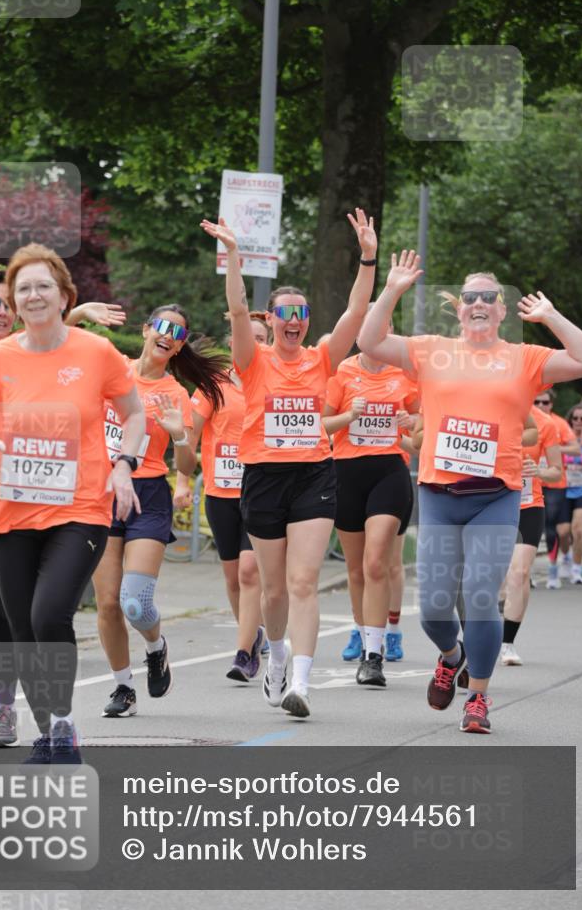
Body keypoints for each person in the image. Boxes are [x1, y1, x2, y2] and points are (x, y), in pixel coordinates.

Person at [358, 257, 582, 733]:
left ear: (503, 310)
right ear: (460, 310)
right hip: (442, 495)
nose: (480, 303)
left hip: (496, 495)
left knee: (482, 597)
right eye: (471, 297)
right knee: (434, 608)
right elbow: (369, 341)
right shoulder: (432, 351)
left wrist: (549, 316)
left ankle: (478, 697)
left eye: (489, 296)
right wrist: (393, 289)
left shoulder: (523, 358)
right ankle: (452, 655)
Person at [0, 244, 146, 762]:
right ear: (13, 303)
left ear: (65, 296)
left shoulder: (95, 353)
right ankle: (52, 729)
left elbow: (133, 414)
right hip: (9, 514)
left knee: (47, 616)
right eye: (23, 289)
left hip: (79, 509)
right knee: (20, 629)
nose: (33, 295)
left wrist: (125, 463)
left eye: (43, 286)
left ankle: (60, 727)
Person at [201, 208, 378, 718]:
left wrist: (368, 256)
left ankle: (301, 681)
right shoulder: (252, 361)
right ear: (272, 320)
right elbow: (237, 311)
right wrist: (234, 254)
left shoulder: (323, 357)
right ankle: (275, 655)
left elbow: (356, 312)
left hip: (314, 475)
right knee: (273, 590)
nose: (296, 320)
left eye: (302, 313)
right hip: (261, 478)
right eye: (286, 313)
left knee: (303, 582)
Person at [94, 304, 230, 717]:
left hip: (148, 495)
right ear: (146, 330)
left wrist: (180, 438)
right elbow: (52, 352)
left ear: (178, 347)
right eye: (163, 326)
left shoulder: (175, 394)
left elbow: (187, 465)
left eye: (179, 333)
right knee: (107, 604)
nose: (168, 334)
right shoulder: (112, 368)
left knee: (135, 602)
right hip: (101, 494)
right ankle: (123, 688)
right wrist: (79, 312)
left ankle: (155, 646)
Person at [176, 313, 269, 683]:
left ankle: (244, 653)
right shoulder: (213, 385)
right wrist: (183, 481)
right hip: (220, 493)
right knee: (233, 578)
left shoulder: (276, 383)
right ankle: (254, 632)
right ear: (234, 342)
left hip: (263, 493)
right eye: (250, 337)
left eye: (263, 339)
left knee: (249, 571)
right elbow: (191, 436)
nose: (256, 344)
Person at [322, 342, 419, 687]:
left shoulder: (405, 373)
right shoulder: (342, 371)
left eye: (384, 329)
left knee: (377, 560)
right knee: (356, 569)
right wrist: (349, 417)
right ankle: (364, 640)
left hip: (390, 472)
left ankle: (374, 657)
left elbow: (425, 430)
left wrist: (415, 421)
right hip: (347, 473)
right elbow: (319, 425)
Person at [499, 403, 561, 665]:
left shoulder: (545, 423)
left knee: (520, 572)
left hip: (529, 505)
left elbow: (556, 471)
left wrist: (539, 472)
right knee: (496, 579)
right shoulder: (493, 408)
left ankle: (506, 644)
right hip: (494, 504)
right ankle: (487, 629)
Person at [533, 390, 580, 587]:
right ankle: (527, 574)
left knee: (554, 529)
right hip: (532, 482)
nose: (540, 405)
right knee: (532, 531)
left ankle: (555, 568)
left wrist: (552, 447)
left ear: (551, 404)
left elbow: (576, 449)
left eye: (545, 402)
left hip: (554, 483)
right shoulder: (524, 419)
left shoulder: (558, 423)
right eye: (536, 402)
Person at [562, 403, 582, 583]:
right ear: (570, 420)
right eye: (576, 418)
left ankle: (576, 569)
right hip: (564, 489)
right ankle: (565, 557)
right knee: (564, 532)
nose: (580, 422)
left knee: (579, 529)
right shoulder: (563, 438)